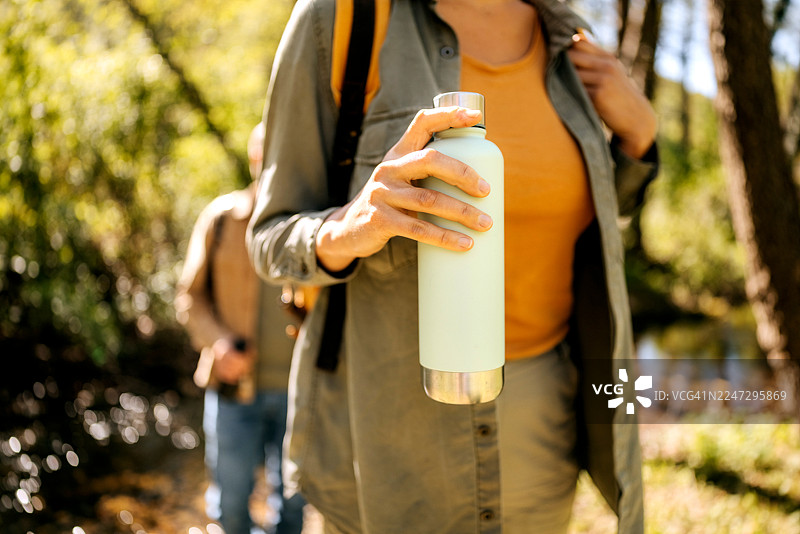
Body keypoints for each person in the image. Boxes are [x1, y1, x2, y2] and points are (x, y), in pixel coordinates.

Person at [248, 0, 658, 533]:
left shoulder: (570, 39)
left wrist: (639, 139)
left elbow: (586, 216)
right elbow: (270, 237)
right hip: (387, 431)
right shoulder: (343, 18)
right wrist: (349, 226)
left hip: (544, 415)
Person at [175, 123, 305, 534]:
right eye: (263, 155)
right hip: (234, 391)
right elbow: (189, 298)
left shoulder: (312, 225)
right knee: (230, 508)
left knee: (293, 509)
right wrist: (219, 344)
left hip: (299, 393)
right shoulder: (220, 219)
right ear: (252, 159)